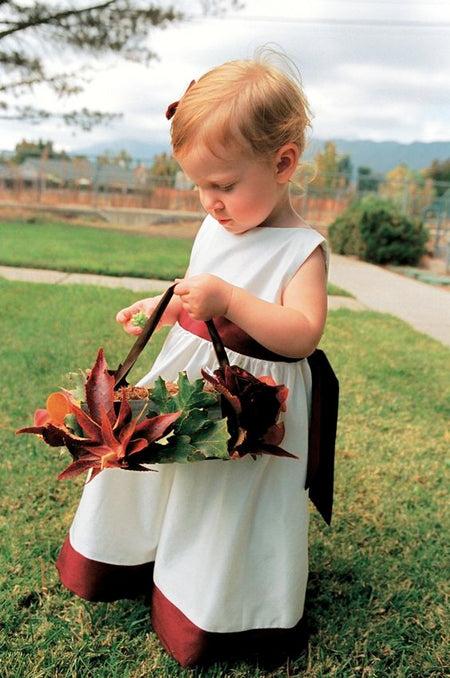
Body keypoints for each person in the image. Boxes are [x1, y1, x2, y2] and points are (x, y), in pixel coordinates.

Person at [56, 51, 336, 668]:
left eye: (225, 185)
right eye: (200, 187)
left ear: (284, 163)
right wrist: (158, 304)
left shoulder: (301, 250)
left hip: (254, 400)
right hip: (192, 373)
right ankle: (138, 562)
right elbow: (194, 286)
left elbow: (302, 334)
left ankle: (217, 607)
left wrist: (231, 298)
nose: (211, 202)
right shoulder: (218, 226)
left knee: (226, 502)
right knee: (170, 471)